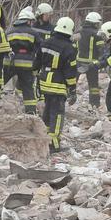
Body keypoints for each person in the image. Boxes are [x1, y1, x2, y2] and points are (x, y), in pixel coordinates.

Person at [36, 16, 78, 153]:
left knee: (47, 113)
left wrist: (37, 82)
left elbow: (36, 64)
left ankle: (44, 141)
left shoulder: (45, 43)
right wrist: (72, 89)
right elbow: (70, 72)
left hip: (44, 82)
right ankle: (54, 144)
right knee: (57, 115)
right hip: (58, 85)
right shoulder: (69, 49)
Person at [6, 7, 41, 114]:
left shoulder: (9, 32)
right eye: (31, 21)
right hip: (26, 64)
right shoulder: (33, 33)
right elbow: (39, 50)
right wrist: (37, 65)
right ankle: (30, 111)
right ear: (28, 21)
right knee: (28, 88)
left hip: (9, 63)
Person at [76, 12, 106, 107]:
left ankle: (67, 99)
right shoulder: (98, 34)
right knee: (93, 85)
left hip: (78, 62)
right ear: (95, 23)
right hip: (92, 64)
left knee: (72, 82)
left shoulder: (78, 32)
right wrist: (101, 62)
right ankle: (94, 104)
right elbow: (101, 50)